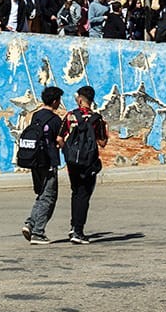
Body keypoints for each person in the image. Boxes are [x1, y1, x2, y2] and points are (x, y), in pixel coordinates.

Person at [60, 85, 109, 244]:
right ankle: (78, 230)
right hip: (89, 162)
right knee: (84, 194)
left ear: (80, 99)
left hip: (73, 162)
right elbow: (102, 142)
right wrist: (106, 129)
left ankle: (74, 226)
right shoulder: (97, 119)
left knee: (76, 192)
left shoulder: (70, 116)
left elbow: (60, 138)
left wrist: (69, 152)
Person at [21, 86, 66, 245]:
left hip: (35, 161)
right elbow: (59, 140)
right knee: (48, 197)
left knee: (42, 194)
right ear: (55, 101)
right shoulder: (55, 120)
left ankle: (30, 224)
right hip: (48, 161)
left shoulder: (36, 116)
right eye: (59, 100)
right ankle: (38, 233)